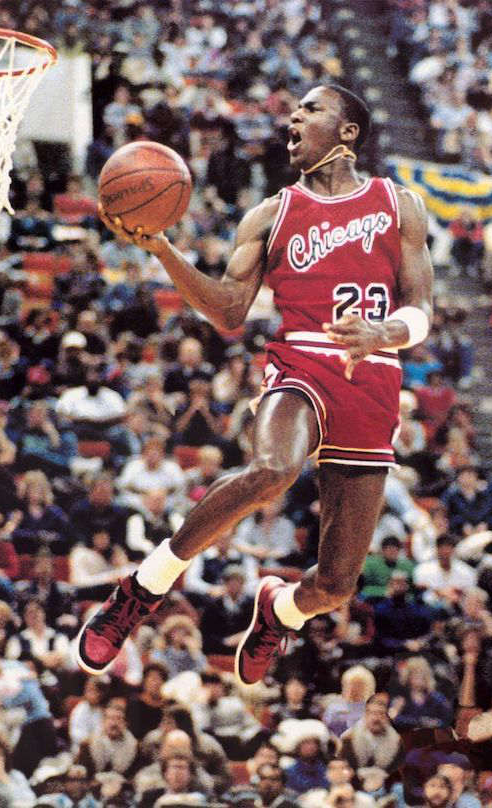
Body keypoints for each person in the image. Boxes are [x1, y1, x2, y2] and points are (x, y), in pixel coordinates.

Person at [79, 83, 433, 687]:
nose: (294, 114)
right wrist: (161, 248)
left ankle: (279, 611)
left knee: (336, 585)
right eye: (295, 107)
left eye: (312, 108)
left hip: (373, 373)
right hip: (302, 363)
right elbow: (227, 311)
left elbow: (423, 308)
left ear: (348, 132)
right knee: (274, 468)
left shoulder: (398, 203)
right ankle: (142, 589)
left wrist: (383, 332)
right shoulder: (271, 214)